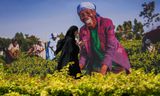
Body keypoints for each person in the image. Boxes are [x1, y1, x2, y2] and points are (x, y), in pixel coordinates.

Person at [77, 2, 131, 75]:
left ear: (94, 12)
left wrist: (103, 71)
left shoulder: (106, 23)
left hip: (115, 61)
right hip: (98, 62)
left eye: (88, 13)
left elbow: (111, 48)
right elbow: (84, 54)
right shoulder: (83, 30)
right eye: (82, 15)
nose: (85, 16)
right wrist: (77, 69)